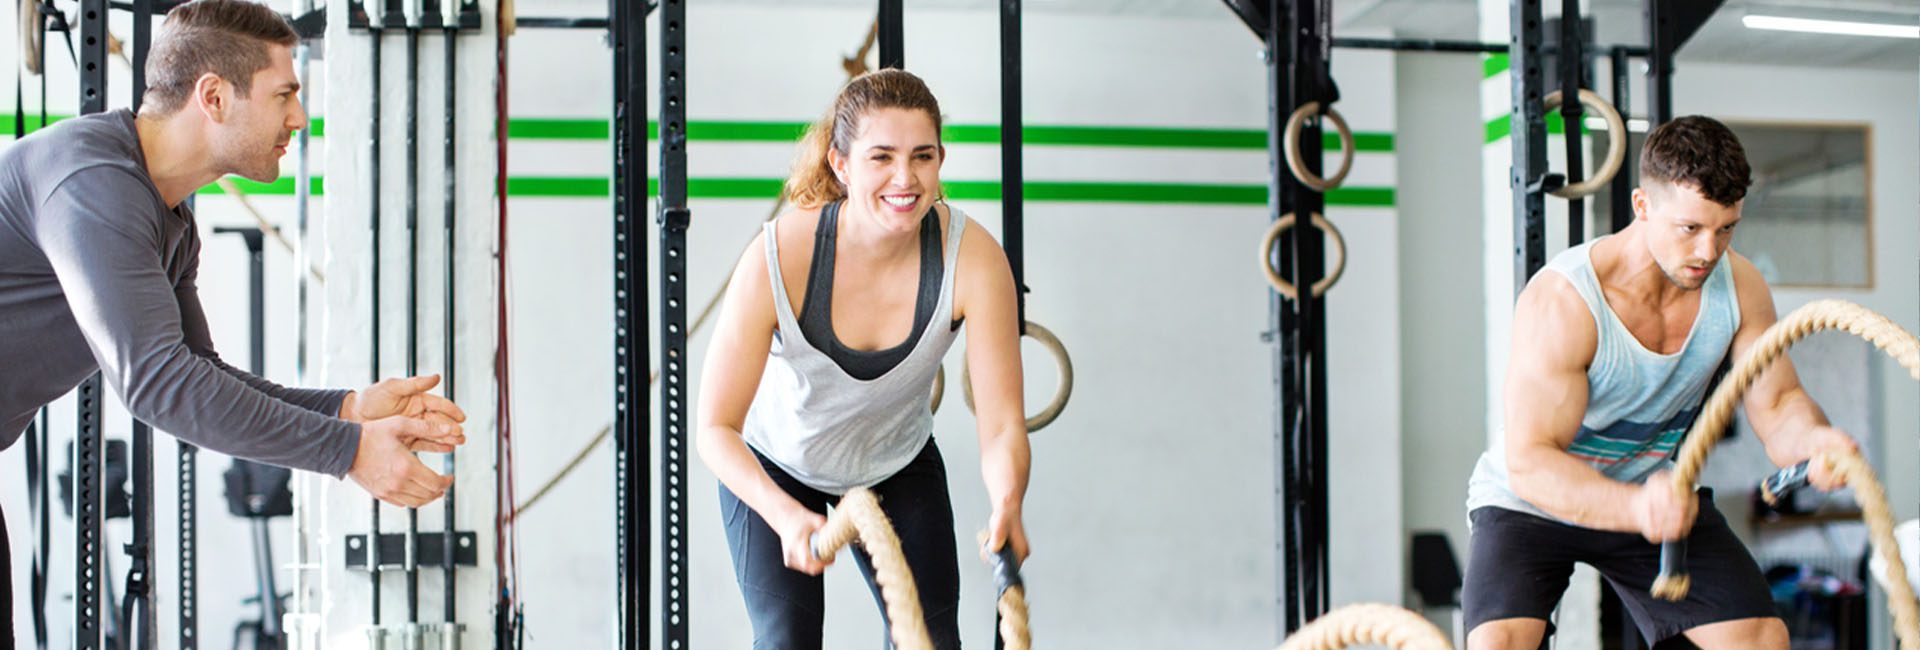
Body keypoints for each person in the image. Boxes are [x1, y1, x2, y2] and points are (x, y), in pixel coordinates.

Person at [0, 0, 467, 641]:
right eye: (284, 95)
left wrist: (348, 410)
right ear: (214, 96)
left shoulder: (170, 220)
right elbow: (157, 385)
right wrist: (349, 451)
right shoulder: (91, 179)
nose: (299, 118)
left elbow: (198, 373)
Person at [1461, 115, 1860, 649]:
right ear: (1642, 207)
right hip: (1533, 501)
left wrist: (1815, 444)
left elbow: (1780, 402)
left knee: (1761, 639)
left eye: (1726, 228)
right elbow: (1532, 462)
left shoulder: (1739, 286)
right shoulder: (1565, 301)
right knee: (1499, 644)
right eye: (1690, 229)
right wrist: (1633, 509)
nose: (1707, 252)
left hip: (1655, 495)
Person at [696, 69, 1032, 649]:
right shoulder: (780, 257)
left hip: (895, 460)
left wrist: (1008, 501)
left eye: (922, 156)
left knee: (932, 639)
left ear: (940, 161)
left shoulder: (973, 261)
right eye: (882, 157)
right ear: (841, 164)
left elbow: (1001, 425)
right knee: (785, 639)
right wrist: (782, 514)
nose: (905, 178)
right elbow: (714, 429)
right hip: (780, 463)